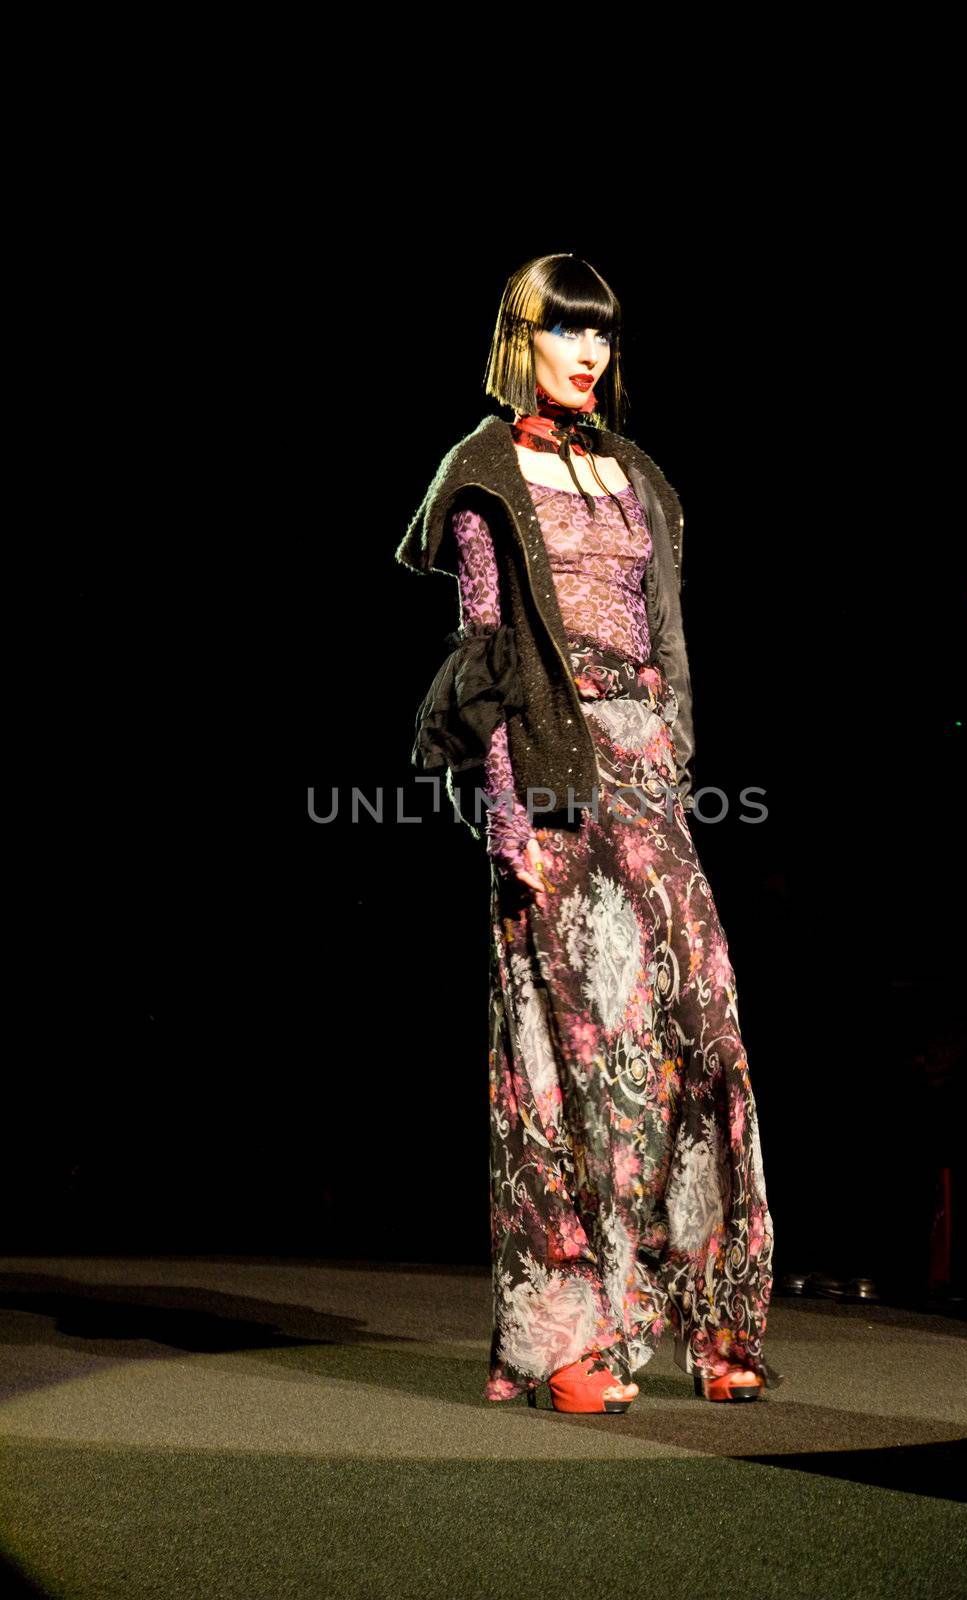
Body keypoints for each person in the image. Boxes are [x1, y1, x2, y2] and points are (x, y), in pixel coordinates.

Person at [396, 254, 780, 1413]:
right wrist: (506, 817)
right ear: (522, 339)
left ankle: (716, 1317)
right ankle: (569, 1338)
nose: (588, 354)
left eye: (601, 337)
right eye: (566, 333)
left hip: (649, 788)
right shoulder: (482, 473)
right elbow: (488, 653)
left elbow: (666, 639)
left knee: (703, 1036)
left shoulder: (637, 475)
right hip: (552, 785)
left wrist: (670, 763)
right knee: (565, 1059)